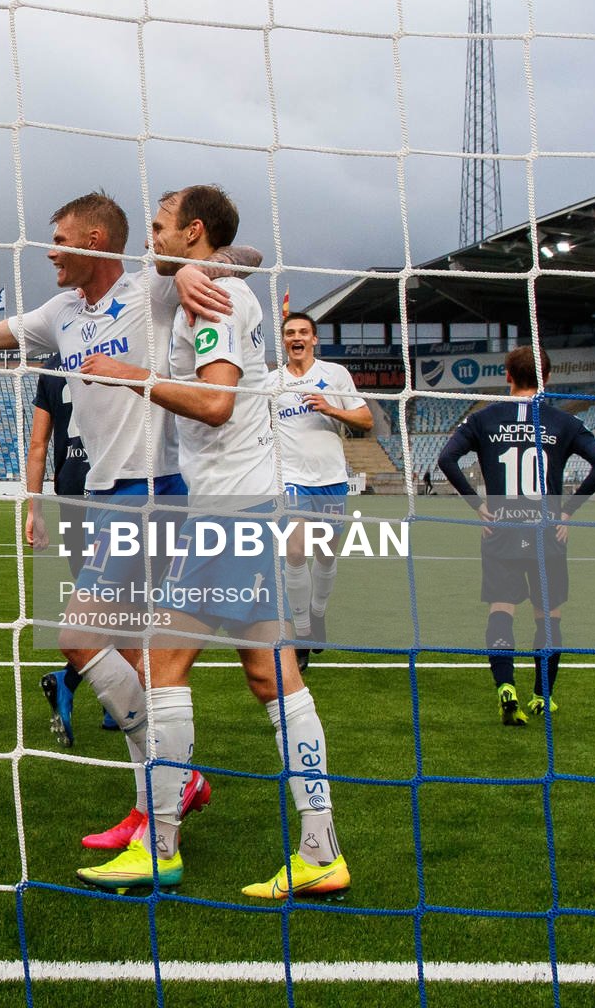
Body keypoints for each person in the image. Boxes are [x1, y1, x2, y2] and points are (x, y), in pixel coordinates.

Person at [0, 190, 250, 856]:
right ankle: (159, 793)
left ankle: (171, 784)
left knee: (75, 632)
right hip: (102, 497)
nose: (48, 252)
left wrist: (192, 270)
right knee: (131, 657)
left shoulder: (149, 293)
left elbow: (236, 256)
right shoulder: (60, 313)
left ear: (93, 241)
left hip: (153, 491)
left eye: (58, 238)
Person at [77, 185, 349, 901]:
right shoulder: (207, 282)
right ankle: (320, 851)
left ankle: (159, 846)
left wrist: (134, 376)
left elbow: (218, 401)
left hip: (229, 508)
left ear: (191, 230)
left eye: (161, 227)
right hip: (247, 502)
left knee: (163, 664)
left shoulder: (215, 302)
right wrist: (204, 266)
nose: (151, 238)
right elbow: (233, 255)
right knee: (272, 678)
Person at [436, 346, 595, 724]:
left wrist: (476, 505)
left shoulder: (484, 419)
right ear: (547, 377)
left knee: (502, 609)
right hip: (546, 529)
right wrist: (568, 511)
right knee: (549, 616)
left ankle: (505, 686)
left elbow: (445, 459)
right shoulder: (562, 422)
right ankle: (542, 696)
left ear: (507, 375)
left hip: (500, 527)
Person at [270, 311, 372, 666]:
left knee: (326, 555)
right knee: (295, 552)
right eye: (289, 333)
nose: (296, 337)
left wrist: (330, 408)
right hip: (291, 480)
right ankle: (301, 634)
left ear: (314, 339)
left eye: (303, 332)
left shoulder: (335, 375)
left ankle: (317, 612)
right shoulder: (271, 382)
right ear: (283, 341)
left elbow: (366, 420)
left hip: (331, 479)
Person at [28, 354, 118, 744]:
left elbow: (38, 445)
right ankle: (69, 682)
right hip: (115, 488)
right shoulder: (117, 343)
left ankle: (107, 693)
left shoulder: (51, 366)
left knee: (101, 600)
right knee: (121, 601)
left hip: (71, 494)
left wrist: (36, 510)